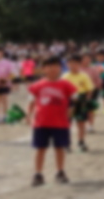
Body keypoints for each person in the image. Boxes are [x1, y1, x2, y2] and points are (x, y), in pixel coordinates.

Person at [26, 56, 78, 187]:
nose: (53, 69)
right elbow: (31, 101)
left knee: (59, 148)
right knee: (40, 149)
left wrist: (71, 111)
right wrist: (28, 115)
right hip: (41, 122)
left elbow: (74, 100)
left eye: (56, 66)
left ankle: (60, 171)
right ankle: (38, 174)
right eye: (49, 66)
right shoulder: (37, 85)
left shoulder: (66, 84)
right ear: (43, 69)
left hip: (60, 122)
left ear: (60, 68)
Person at [63, 54, 95, 152]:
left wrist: (87, 100)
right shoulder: (65, 76)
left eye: (76, 63)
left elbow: (89, 89)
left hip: (81, 99)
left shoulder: (84, 75)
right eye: (70, 63)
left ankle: (81, 142)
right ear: (67, 64)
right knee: (67, 123)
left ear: (80, 64)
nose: (73, 65)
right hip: (68, 101)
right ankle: (67, 143)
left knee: (81, 122)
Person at [0, 48, 18, 124]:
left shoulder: (8, 63)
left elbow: (13, 73)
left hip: (5, 84)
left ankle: (5, 116)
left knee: (4, 99)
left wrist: (6, 79)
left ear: (2, 53)